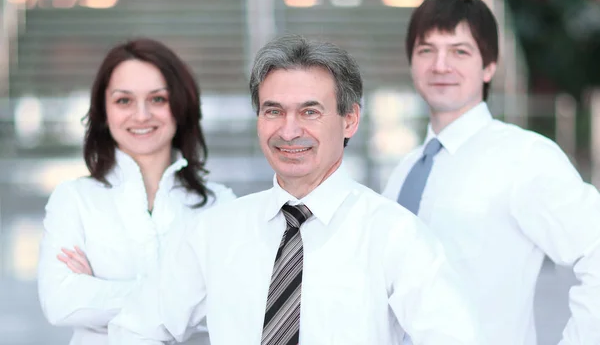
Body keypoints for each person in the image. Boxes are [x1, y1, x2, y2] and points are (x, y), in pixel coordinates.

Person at [108, 34, 480, 344]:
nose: (288, 131)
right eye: (273, 111)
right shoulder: (214, 233)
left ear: (350, 120)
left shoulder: (396, 236)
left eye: (310, 112)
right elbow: (133, 331)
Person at [383, 0, 600, 345]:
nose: (440, 65)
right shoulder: (406, 168)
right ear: (412, 62)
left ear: (489, 66)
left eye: (459, 51)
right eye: (427, 50)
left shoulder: (524, 157)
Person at [37, 38, 236, 345]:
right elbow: (61, 303)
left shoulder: (220, 205)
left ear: (180, 105)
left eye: (157, 99)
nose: (141, 115)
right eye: (124, 101)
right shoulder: (73, 199)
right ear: (104, 111)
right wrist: (189, 295)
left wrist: (97, 290)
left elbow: (231, 307)